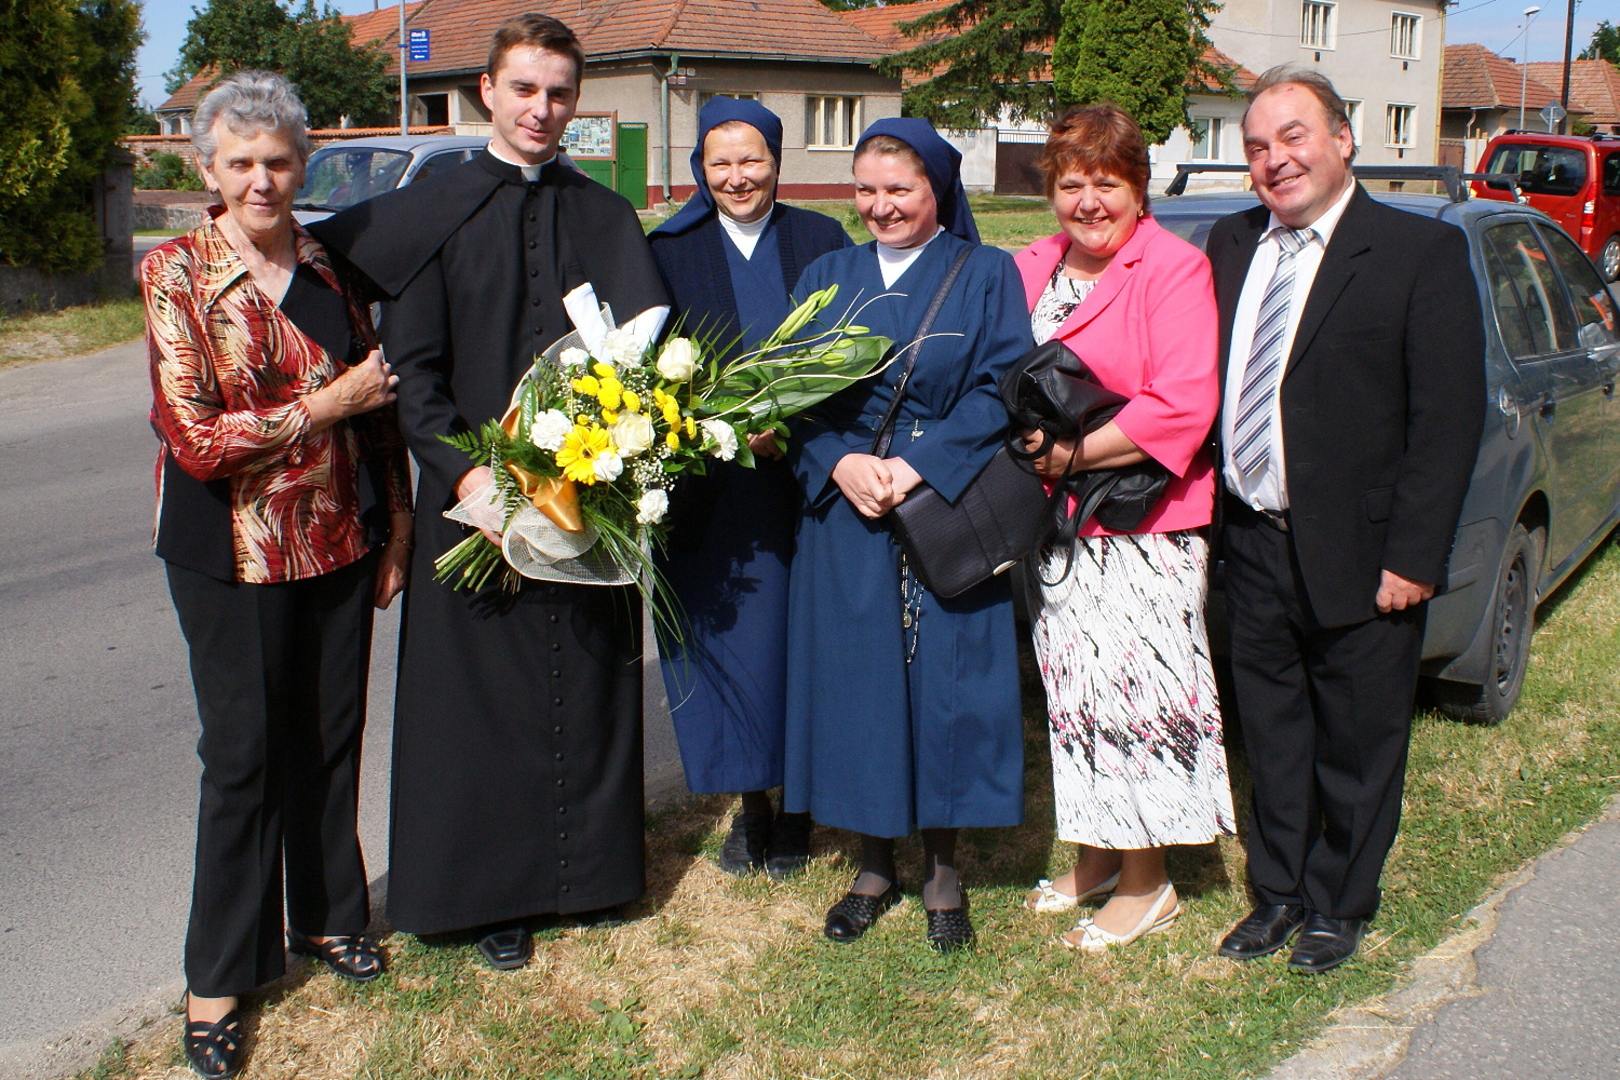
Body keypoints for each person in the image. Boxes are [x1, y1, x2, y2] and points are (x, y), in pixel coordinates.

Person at [311, 14, 669, 971]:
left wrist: (609, 467)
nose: (541, 110)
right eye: (524, 89)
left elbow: (644, 367)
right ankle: (494, 897)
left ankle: (592, 878)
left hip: (588, 499)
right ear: (487, 93)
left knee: (591, 679)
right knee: (482, 699)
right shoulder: (439, 207)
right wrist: (470, 476)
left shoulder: (605, 215)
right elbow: (413, 373)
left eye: (558, 92)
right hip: (470, 501)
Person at [142, 71, 412, 1078]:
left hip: (337, 541)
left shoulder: (332, 267)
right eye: (241, 163)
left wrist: (397, 533)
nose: (262, 180)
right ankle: (219, 974)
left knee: (330, 740)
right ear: (209, 170)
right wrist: (325, 405)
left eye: (279, 162)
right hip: (228, 551)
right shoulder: (176, 271)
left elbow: (381, 407)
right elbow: (199, 440)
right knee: (245, 758)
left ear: (304, 167)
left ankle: (332, 917)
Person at [1209, 67, 1484, 973]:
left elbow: (1446, 421)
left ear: (1342, 138)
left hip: (1368, 557)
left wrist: (1414, 557)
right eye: (1257, 146)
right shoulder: (1231, 244)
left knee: (1359, 744)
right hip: (1251, 543)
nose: (1274, 159)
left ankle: (1339, 904)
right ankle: (1280, 893)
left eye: (1293, 136)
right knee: (1274, 735)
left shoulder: (1417, 252)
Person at [783, 118, 1032, 951]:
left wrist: (919, 463)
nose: (881, 207)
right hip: (848, 512)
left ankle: (942, 870)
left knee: (945, 686)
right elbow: (791, 399)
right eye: (867, 190)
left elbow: (1002, 389)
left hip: (941, 500)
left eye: (901, 190)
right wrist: (838, 461)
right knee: (860, 687)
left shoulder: (985, 272)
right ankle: (872, 861)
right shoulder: (826, 273)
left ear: (938, 192)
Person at [1012, 104, 1234, 952]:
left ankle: (1149, 884)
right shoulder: (1030, 265)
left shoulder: (1173, 269)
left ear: (1139, 188)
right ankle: (1099, 853)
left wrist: (1069, 455)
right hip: (1056, 532)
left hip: (1145, 526)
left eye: (1108, 182)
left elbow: (1182, 403)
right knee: (1075, 697)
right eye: (1073, 184)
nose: (1090, 201)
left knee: (1139, 703)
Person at [647, 98, 851, 878]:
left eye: (752, 160)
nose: (737, 177)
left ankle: (799, 804)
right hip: (711, 493)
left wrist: (793, 430)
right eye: (720, 163)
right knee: (729, 648)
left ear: (777, 160)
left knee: (805, 643)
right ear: (700, 167)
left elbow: (848, 356)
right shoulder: (668, 247)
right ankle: (749, 805)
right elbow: (641, 367)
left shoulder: (820, 239)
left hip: (806, 483)